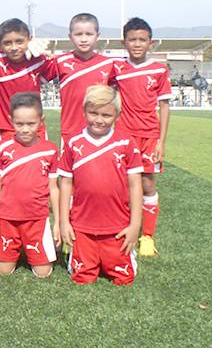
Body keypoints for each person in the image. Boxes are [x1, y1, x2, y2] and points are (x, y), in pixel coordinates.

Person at [59, 85, 144, 285]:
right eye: (93, 113)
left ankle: (120, 256)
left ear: (117, 115)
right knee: (82, 278)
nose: (98, 120)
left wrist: (135, 226)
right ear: (84, 111)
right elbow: (65, 184)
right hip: (82, 226)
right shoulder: (73, 142)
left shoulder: (125, 143)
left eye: (106, 115)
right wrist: (64, 222)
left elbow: (135, 186)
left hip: (118, 227)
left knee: (124, 278)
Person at [110, 17, 172, 257]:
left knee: (147, 183)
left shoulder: (159, 70)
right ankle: (123, 229)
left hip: (149, 137)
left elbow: (164, 107)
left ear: (150, 43)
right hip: (123, 137)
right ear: (124, 42)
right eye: (132, 39)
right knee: (122, 184)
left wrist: (161, 142)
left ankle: (147, 236)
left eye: (142, 40)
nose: (137, 44)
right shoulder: (116, 68)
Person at [0, 92, 60, 278]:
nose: (25, 129)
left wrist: (58, 222)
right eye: (19, 124)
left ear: (41, 121)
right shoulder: (3, 147)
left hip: (37, 219)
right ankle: (15, 247)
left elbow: (54, 188)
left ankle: (31, 247)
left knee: (43, 273)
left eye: (31, 124)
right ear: (11, 121)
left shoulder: (50, 150)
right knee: (3, 271)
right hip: (8, 218)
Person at [0, 18, 56, 140]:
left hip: (36, 128)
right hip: (8, 129)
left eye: (19, 42)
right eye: (7, 43)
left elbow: (63, 65)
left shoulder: (39, 60)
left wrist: (49, 55)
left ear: (29, 40)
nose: (14, 47)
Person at [55, 13, 115, 145]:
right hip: (70, 130)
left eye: (89, 34)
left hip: (99, 130)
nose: (83, 39)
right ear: (70, 37)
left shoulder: (109, 64)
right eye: (78, 34)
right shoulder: (60, 62)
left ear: (97, 36)